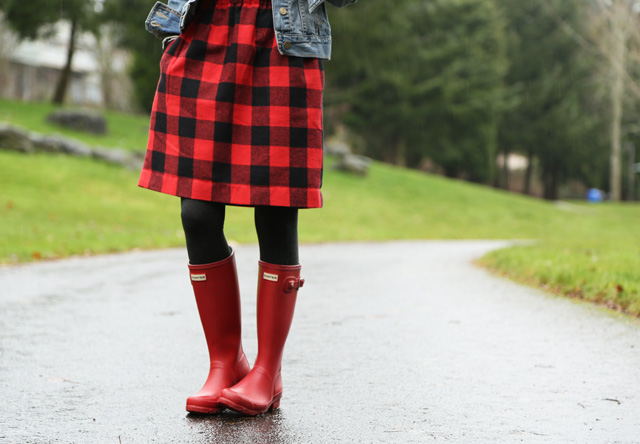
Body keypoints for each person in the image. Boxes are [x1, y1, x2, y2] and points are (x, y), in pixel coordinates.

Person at [139, 0, 357, 416]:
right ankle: (225, 363)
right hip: (202, 32)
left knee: (275, 207)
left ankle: (267, 372)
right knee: (196, 213)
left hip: (278, 42)